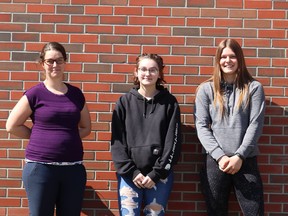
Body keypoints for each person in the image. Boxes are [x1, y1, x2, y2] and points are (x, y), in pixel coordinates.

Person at [6, 42, 91, 216]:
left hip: (73, 170)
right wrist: (37, 137)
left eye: (59, 60)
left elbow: (86, 127)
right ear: (42, 63)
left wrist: (69, 138)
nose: (55, 65)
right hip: (40, 169)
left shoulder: (76, 94)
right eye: (50, 61)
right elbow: (12, 126)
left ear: (65, 62)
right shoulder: (34, 94)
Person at [194, 38, 265, 215]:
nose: (227, 61)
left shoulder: (254, 88)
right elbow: (201, 126)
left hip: (245, 159)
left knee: (254, 212)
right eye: (223, 56)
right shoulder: (206, 89)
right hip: (215, 161)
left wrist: (239, 156)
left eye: (232, 56)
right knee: (216, 212)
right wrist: (220, 156)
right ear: (218, 60)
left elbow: (255, 124)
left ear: (239, 59)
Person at [111, 53, 182, 215]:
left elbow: (173, 142)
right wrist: (132, 172)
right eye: (143, 69)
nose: (147, 74)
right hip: (130, 176)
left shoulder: (169, 103)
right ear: (136, 72)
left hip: (160, 176)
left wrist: (156, 173)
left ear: (159, 73)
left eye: (152, 70)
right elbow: (117, 143)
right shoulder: (124, 102)